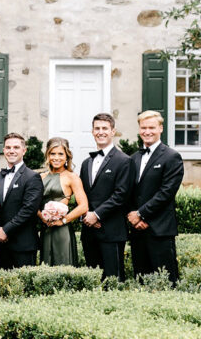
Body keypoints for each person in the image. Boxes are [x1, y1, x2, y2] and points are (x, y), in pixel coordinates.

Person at [128, 110, 184, 284]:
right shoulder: (134, 158)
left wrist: (141, 214)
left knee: (166, 281)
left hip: (160, 230)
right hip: (137, 230)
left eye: (151, 127)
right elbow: (128, 191)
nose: (147, 131)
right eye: (143, 127)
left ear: (160, 128)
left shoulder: (171, 156)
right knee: (140, 281)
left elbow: (166, 193)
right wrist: (133, 217)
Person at [79, 113, 132, 280]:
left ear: (113, 131)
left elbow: (121, 195)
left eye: (104, 128)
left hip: (111, 231)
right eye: (97, 128)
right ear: (92, 131)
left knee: (113, 279)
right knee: (92, 279)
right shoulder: (86, 163)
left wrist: (97, 214)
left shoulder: (124, 160)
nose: (100, 132)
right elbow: (83, 195)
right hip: (89, 231)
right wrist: (86, 216)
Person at [0, 133, 44, 268]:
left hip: (23, 244)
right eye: (8, 147)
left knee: (24, 287)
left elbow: (29, 210)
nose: (11, 151)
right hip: (1, 243)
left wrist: (6, 230)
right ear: (4, 150)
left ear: (24, 150)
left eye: (16, 147)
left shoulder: (33, 177)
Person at [39, 137, 88, 266]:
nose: (56, 157)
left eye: (61, 154)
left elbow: (83, 206)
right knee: (45, 267)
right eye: (52, 153)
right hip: (45, 228)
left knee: (63, 263)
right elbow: (32, 204)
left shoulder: (72, 177)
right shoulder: (41, 177)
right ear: (48, 155)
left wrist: (64, 220)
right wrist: (41, 217)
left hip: (62, 230)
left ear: (67, 156)